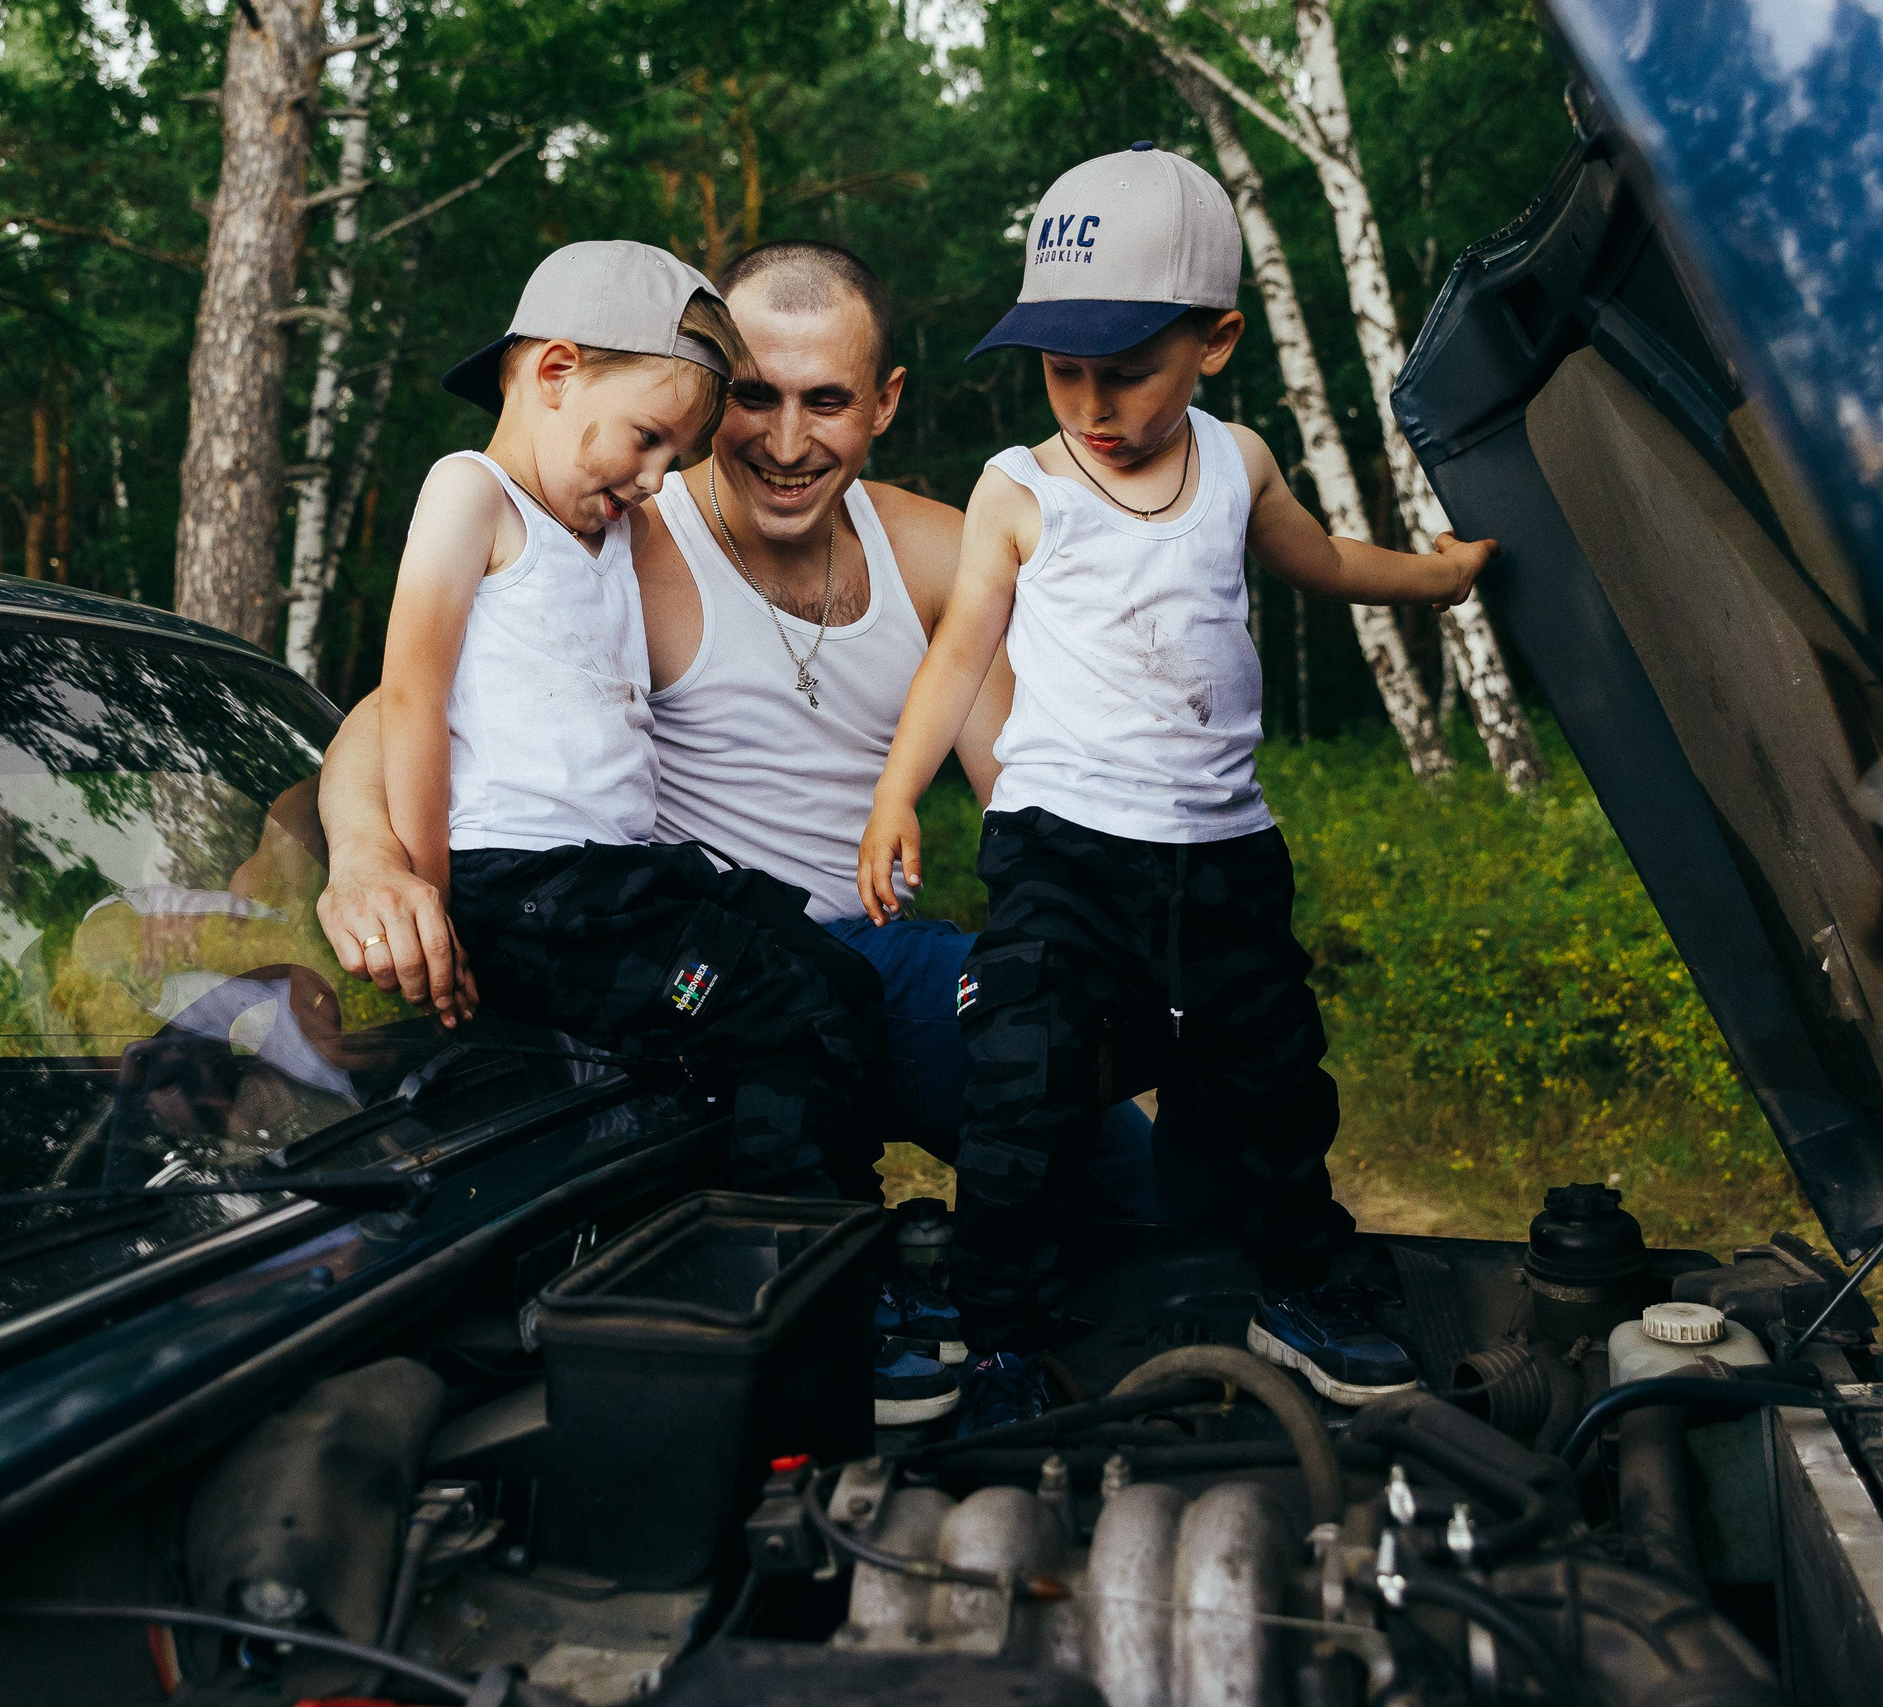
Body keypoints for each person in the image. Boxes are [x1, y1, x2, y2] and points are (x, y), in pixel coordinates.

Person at [319, 241, 1151, 1426]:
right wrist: (372, 859)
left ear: (884, 404)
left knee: (1120, 1153)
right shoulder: (620, 524)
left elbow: (1037, 786)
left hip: (859, 950)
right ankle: (846, 1306)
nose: (783, 440)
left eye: (825, 402)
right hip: (678, 944)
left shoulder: (928, 548)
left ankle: (1045, 1353)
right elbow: (398, 702)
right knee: (792, 1043)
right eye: (751, 398)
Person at [856, 144, 1495, 1428]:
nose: (1091, 401)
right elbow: (962, 646)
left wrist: (1438, 578)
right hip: (1059, 848)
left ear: (1214, 340)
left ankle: (1297, 1291)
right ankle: (1000, 1343)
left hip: (1222, 851)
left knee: (1267, 1083)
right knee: (1026, 1088)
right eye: (1061, 368)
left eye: (1126, 369)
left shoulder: (1240, 466)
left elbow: (1319, 564)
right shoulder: (1020, 488)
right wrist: (896, 797)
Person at [359, 238, 883, 1201]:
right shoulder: (472, 495)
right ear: (556, 372)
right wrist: (424, 888)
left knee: (842, 983)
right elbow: (409, 698)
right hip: (522, 888)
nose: (654, 478)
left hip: (623, 886)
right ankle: (781, 1241)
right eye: (646, 438)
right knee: (779, 1009)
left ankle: (844, 1241)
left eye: (673, 455)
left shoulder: (611, 527)